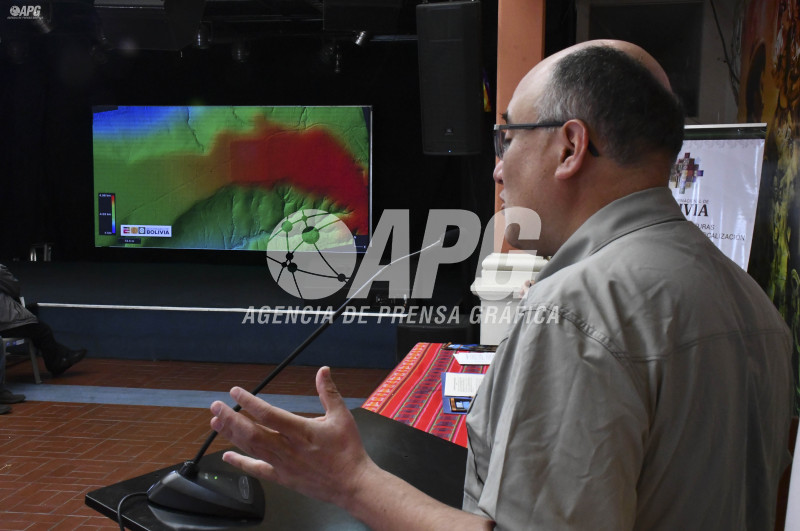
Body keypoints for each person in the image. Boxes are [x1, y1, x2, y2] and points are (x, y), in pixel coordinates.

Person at [208, 40, 794, 530]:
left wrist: (350, 481)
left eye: (507, 137)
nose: (497, 168)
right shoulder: (756, 306)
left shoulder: (579, 308)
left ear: (570, 147)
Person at [0, 263, 86, 414]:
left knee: (36, 328)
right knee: (40, 329)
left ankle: (62, 357)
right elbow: (14, 288)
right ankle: (58, 361)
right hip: (4, 320)